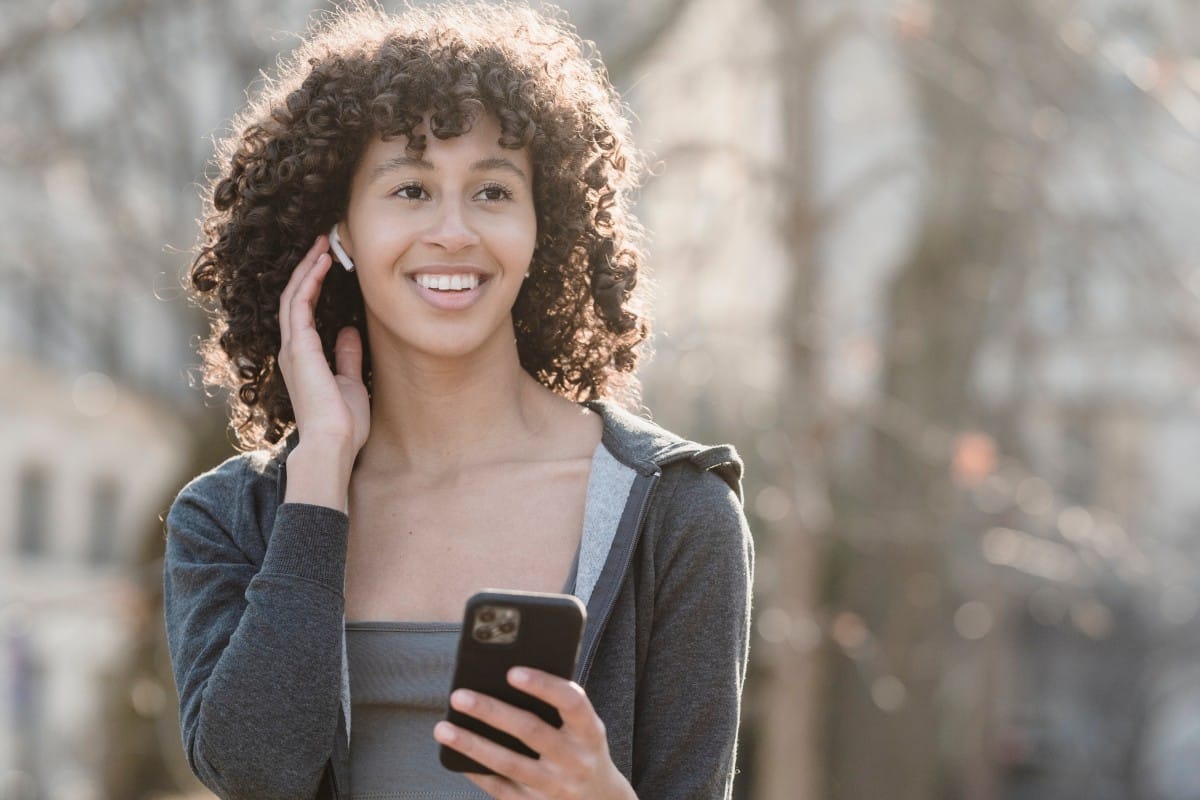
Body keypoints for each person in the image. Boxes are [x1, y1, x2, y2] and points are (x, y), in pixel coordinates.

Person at [162, 3, 753, 799]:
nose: (453, 232)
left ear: (546, 225)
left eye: (493, 192)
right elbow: (254, 770)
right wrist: (320, 478)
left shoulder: (674, 513)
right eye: (409, 189)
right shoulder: (231, 518)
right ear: (338, 230)